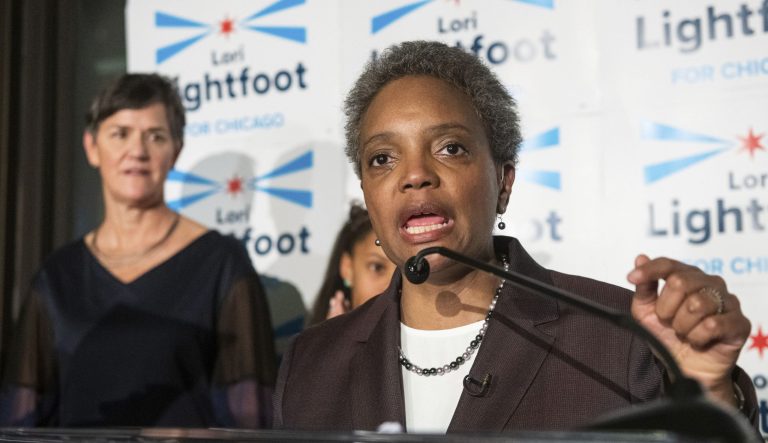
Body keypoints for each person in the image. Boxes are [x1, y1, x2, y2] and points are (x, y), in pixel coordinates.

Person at [273, 41, 758, 434]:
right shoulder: (312, 365)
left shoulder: (622, 338)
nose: (415, 175)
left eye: (450, 147)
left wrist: (709, 394)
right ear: (367, 194)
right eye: (383, 158)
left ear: (503, 181)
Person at [0, 74, 277, 428]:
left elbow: (251, 418)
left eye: (156, 136)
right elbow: (20, 418)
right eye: (120, 133)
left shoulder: (222, 264)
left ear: (175, 150)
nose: (138, 151)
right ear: (91, 147)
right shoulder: (57, 276)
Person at [308, 203, 397, 326]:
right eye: (377, 267)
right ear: (347, 268)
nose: (393, 285)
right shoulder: (308, 344)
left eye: (404, 271)